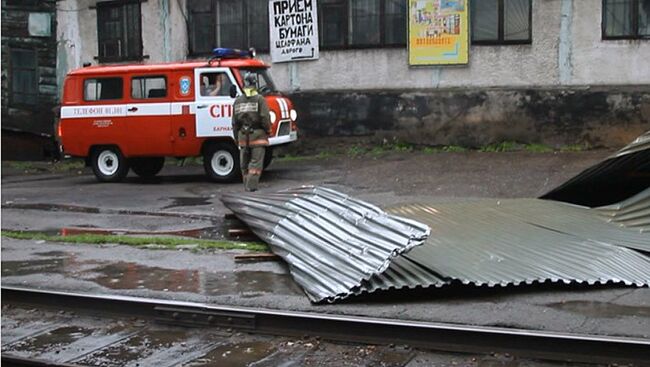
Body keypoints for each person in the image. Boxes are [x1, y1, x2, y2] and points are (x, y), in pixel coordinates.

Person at [231, 73, 271, 192]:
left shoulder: (238, 101)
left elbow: (234, 123)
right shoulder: (260, 99)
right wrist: (268, 130)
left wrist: (236, 139)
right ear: (255, 84)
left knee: (244, 164)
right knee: (255, 164)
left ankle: (246, 185)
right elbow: (265, 118)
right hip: (257, 136)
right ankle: (251, 187)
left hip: (243, 136)